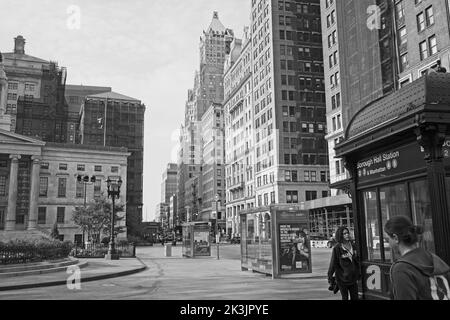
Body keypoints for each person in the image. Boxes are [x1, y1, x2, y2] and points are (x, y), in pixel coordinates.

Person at [384, 215, 450, 300]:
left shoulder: (401, 268)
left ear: (396, 238)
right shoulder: (433, 258)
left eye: (388, 239)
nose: (388, 243)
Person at [328, 226, 360, 300]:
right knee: (345, 297)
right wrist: (330, 277)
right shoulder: (337, 248)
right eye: (344, 234)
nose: (347, 235)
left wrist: (358, 273)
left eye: (347, 233)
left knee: (355, 297)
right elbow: (333, 263)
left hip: (353, 278)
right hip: (342, 279)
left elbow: (358, 261)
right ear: (340, 235)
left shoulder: (354, 246)